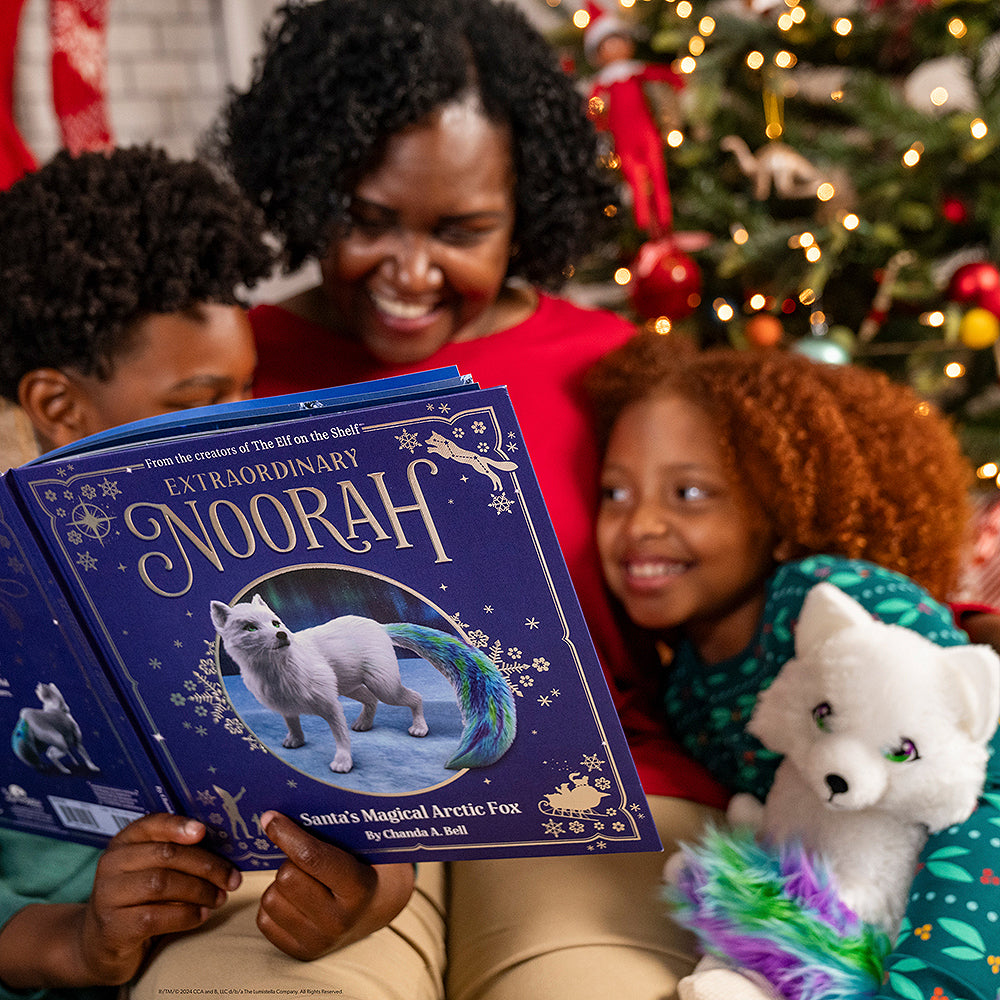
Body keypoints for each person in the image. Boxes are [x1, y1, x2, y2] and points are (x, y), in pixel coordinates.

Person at [201, 1, 732, 997]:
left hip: (586, 790)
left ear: (525, 212)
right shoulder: (226, 364)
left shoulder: (615, 370)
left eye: (461, 230)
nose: (408, 273)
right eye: (365, 219)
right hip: (294, 800)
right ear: (309, 189)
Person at [0, 146, 418, 1000]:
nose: (239, 430)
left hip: (238, 916)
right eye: (194, 403)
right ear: (57, 405)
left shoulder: (267, 554)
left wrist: (367, 894)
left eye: (247, 391)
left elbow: (385, 814)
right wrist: (79, 945)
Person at [586, 334, 1000, 1000]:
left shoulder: (839, 602)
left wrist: (935, 981)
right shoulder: (687, 687)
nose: (640, 525)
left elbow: (983, 785)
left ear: (778, 517)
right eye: (614, 492)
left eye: (689, 492)